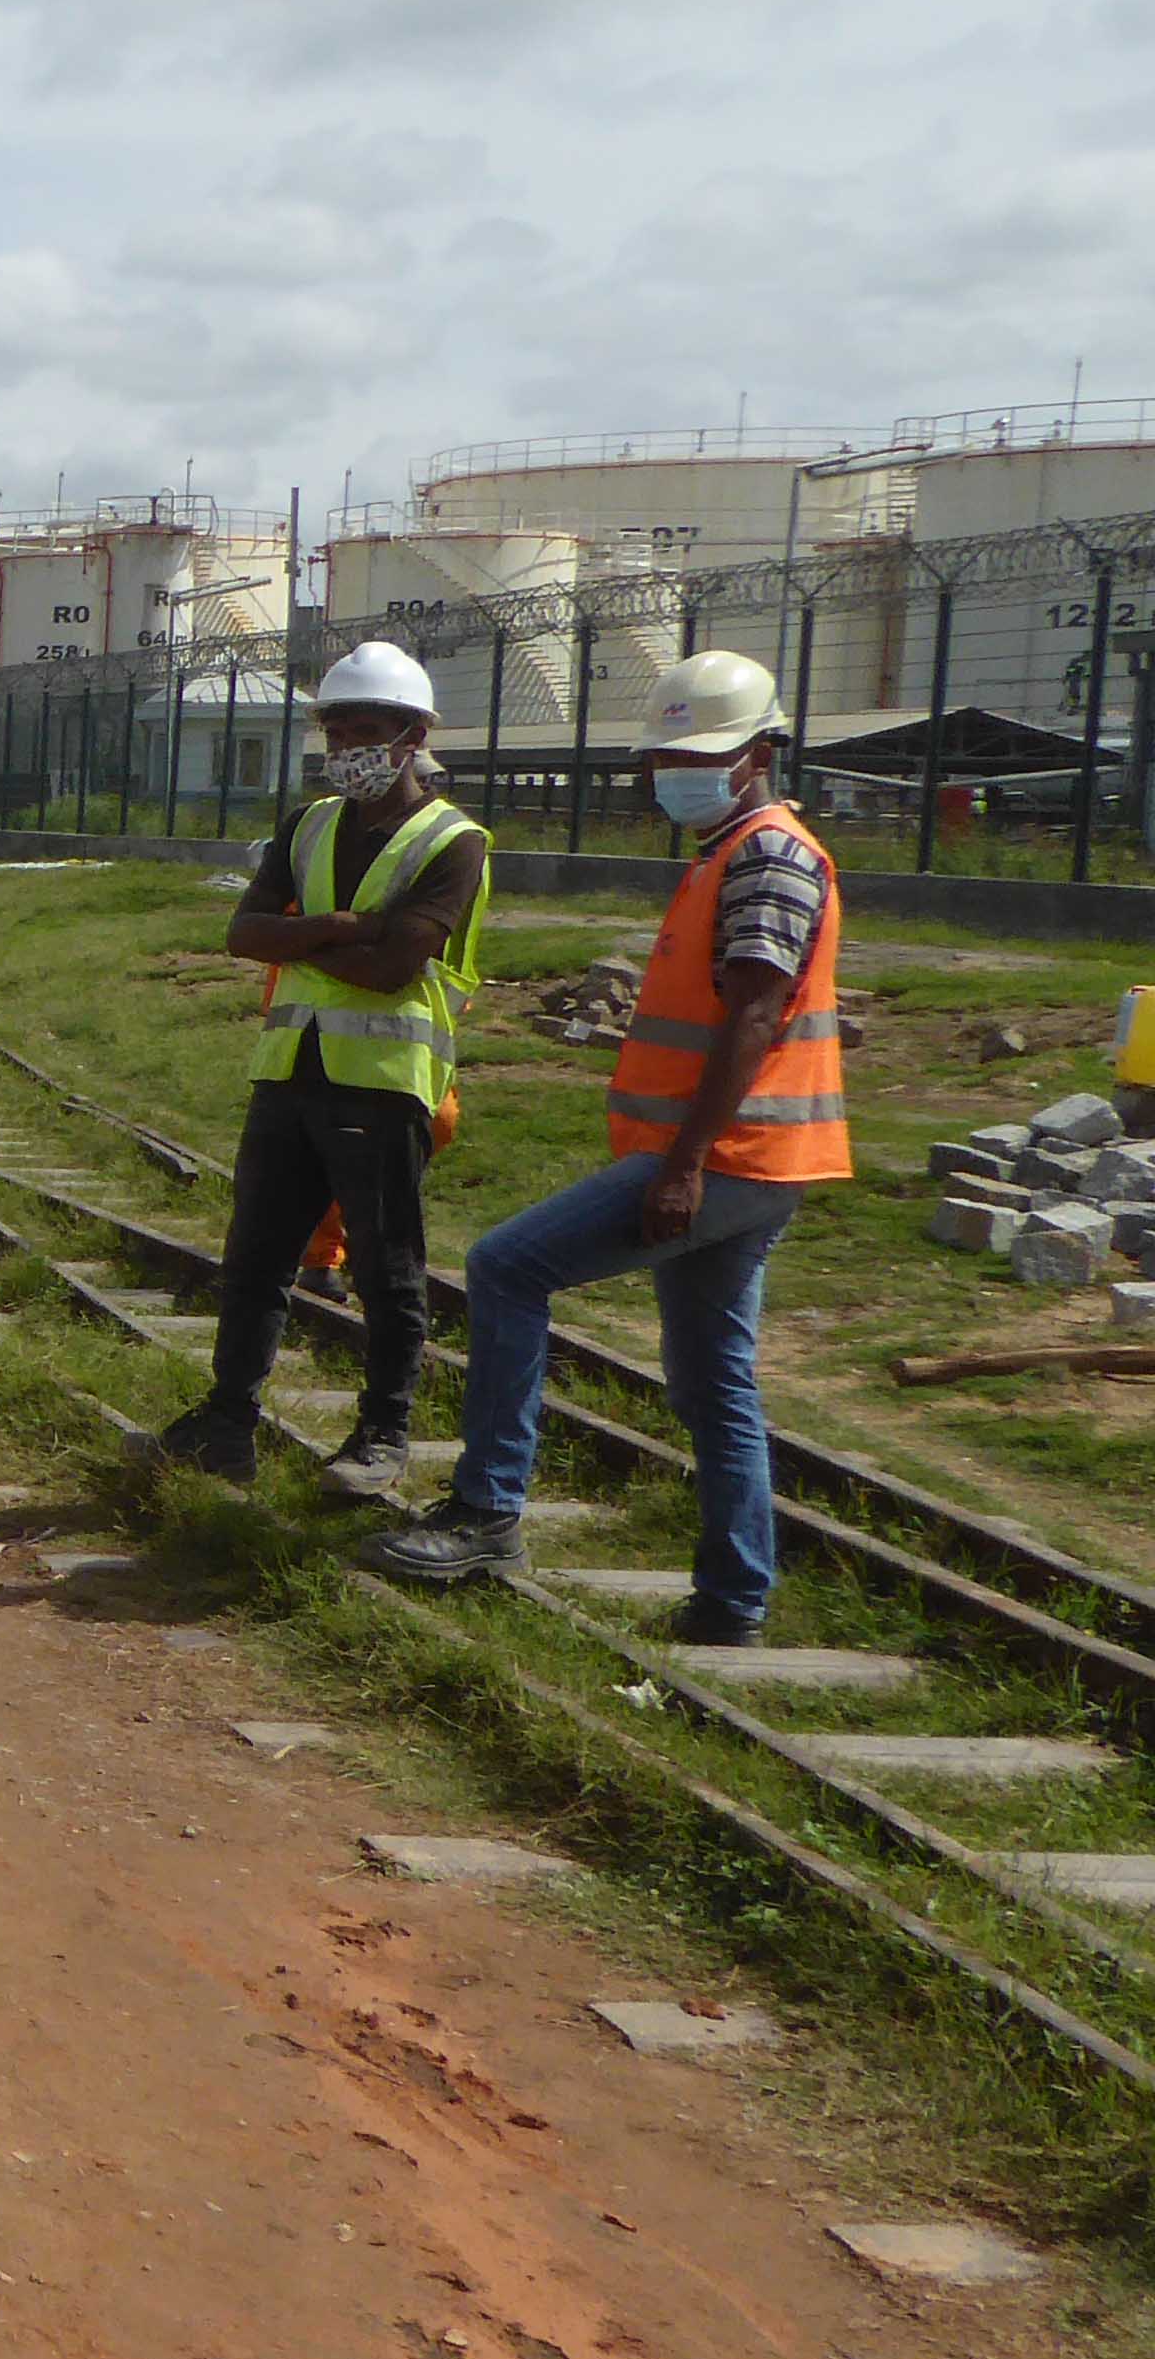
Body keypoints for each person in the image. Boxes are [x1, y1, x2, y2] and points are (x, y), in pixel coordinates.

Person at [372, 653, 841, 1644]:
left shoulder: (767, 855)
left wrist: (681, 1167)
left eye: (699, 752)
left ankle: (488, 1509)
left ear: (761, 752)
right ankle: (732, 1601)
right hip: (750, 1161)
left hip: (728, 1160)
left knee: (505, 1267)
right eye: (666, 754)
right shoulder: (734, 849)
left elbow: (754, 1016)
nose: (676, 770)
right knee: (713, 1373)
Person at [153, 644, 492, 1498]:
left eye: (365, 730)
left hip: (384, 1084)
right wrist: (349, 924)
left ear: (413, 736)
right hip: (290, 1075)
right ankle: (228, 1421)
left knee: (387, 1266)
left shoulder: (453, 842)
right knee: (256, 1257)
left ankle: (383, 1434)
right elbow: (242, 933)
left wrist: (302, 933)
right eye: (335, 729)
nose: (346, 746)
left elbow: (398, 968)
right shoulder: (308, 827)